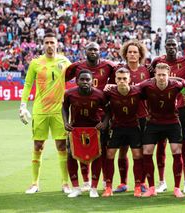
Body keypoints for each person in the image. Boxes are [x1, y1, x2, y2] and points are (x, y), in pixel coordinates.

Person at [20, 29, 71, 194]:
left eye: (52, 42)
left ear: (57, 44)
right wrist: (22, 105)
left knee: (61, 146)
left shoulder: (65, 61)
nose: (49, 45)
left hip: (58, 111)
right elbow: (28, 84)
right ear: (43, 44)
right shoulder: (35, 63)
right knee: (38, 145)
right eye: (46, 42)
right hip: (40, 110)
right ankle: (35, 183)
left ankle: (65, 183)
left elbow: (79, 77)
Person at [150, 37, 185, 193]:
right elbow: (149, 78)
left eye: (174, 45)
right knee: (161, 146)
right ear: (164, 47)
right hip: (159, 111)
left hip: (179, 110)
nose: (171, 47)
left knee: (183, 145)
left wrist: (184, 92)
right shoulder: (157, 61)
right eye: (168, 45)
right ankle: (162, 181)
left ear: (178, 47)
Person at [65, 42, 116, 191]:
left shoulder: (109, 66)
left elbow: (117, 80)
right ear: (85, 51)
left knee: (103, 150)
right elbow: (62, 79)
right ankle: (86, 181)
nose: (93, 52)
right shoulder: (77, 67)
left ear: (100, 52)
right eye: (90, 49)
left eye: (96, 49)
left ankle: (106, 181)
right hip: (79, 115)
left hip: (100, 116)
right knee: (80, 148)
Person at [140, 63, 185, 198]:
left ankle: (177, 188)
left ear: (169, 75)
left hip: (172, 123)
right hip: (153, 123)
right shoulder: (147, 86)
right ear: (155, 75)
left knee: (176, 151)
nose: (161, 77)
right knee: (147, 152)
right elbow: (133, 90)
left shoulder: (177, 86)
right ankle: (152, 188)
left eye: (163, 75)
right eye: (158, 75)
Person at [112, 40, 150, 193]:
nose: (132, 54)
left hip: (141, 116)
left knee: (139, 151)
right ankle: (122, 183)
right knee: (122, 149)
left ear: (140, 54)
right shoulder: (118, 71)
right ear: (125, 54)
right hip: (121, 117)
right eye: (130, 52)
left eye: (135, 52)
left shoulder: (147, 70)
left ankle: (141, 182)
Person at [62, 69, 108, 198]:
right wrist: (66, 122)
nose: (85, 82)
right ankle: (76, 188)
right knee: (71, 156)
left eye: (87, 80)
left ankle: (93, 188)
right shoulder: (69, 94)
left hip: (94, 130)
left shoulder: (99, 95)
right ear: (77, 81)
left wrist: (104, 123)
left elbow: (108, 110)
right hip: (75, 129)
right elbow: (64, 108)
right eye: (82, 79)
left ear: (92, 81)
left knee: (97, 156)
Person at [102, 68, 144, 198]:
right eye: (119, 79)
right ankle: (108, 187)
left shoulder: (137, 91)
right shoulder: (109, 93)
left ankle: (138, 186)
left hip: (133, 127)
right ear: (115, 80)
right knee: (109, 154)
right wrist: (105, 122)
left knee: (137, 154)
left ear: (129, 80)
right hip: (116, 127)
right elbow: (104, 106)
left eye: (124, 78)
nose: (121, 81)